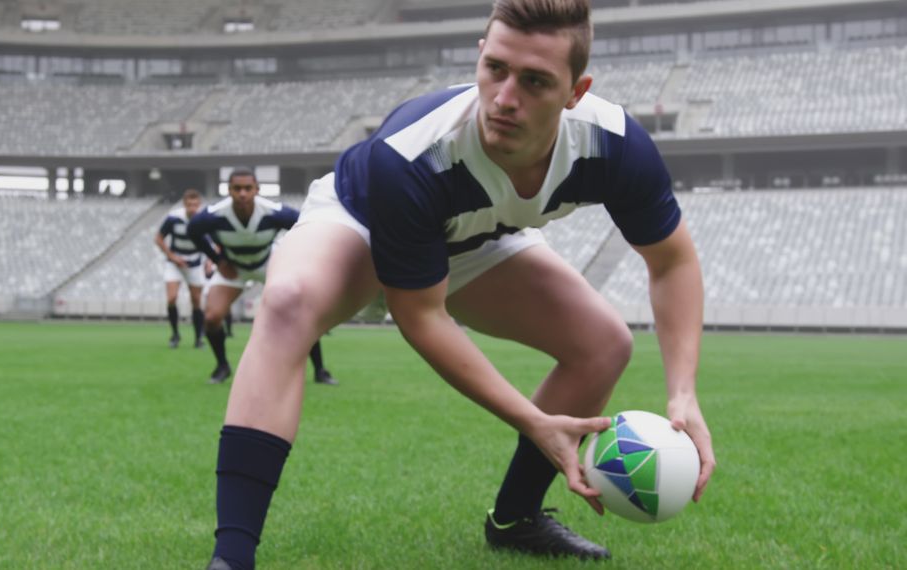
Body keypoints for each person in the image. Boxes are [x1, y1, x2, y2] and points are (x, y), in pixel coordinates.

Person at [204, 1, 716, 568]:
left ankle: (517, 519)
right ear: (480, 55)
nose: (504, 98)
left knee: (604, 344)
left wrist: (683, 393)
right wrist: (532, 419)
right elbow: (421, 315)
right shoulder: (412, 153)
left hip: (473, 239)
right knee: (287, 303)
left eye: (536, 81)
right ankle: (232, 556)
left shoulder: (614, 145)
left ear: (576, 91)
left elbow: (671, 262)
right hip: (361, 223)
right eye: (495, 68)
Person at [187, 168, 337, 386]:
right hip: (234, 266)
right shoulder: (214, 216)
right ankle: (222, 366)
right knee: (212, 317)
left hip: (268, 262)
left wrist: (292, 255)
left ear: (257, 189)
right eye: (237, 188)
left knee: (300, 311)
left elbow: (304, 226)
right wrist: (218, 260)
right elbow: (193, 230)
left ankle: (320, 370)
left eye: (248, 188)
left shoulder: (273, 212)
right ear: (229, 190)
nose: (242, 194)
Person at [155, 189, 208, 349]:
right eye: (189, 204)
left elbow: (214, 242)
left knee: (196, 301)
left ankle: (198, 338)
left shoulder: (204, 220)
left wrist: (210, 261)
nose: (192, 208)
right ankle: (175, 334)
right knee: (171, 298)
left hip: (195, 263)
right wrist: (172, 257)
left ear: (199, 205)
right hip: (175, 263)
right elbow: (158, 238)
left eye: (195, 205)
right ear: (184, 204)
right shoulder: (173, 218)